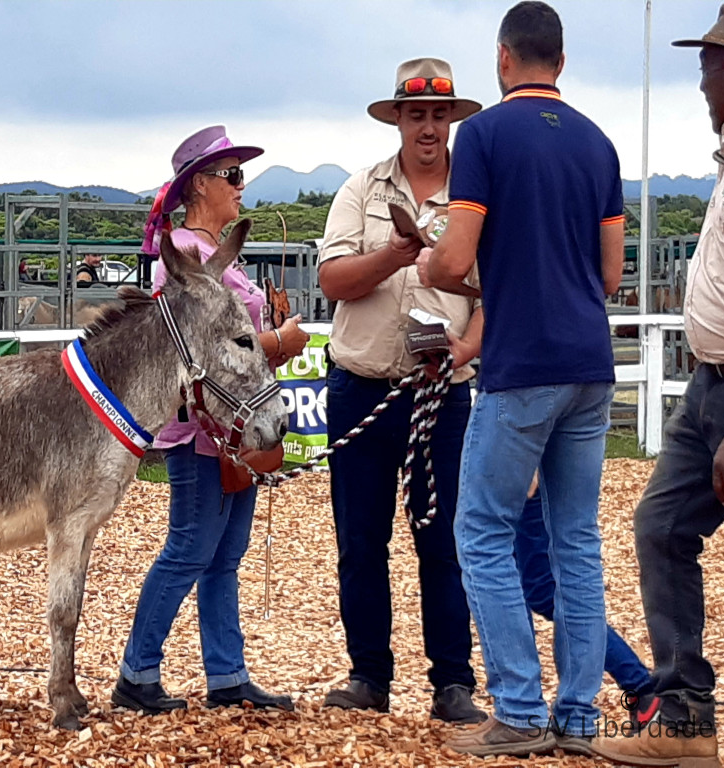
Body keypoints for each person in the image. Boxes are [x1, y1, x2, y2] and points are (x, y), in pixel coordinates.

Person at [419, 1, 625, 755]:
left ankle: (517, 709)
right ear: (561, 62)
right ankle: (578, 716)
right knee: (576, 542)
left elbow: (453, 256)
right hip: (589, 362)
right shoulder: (599, 143)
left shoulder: (484, 134)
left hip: (523, 362)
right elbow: (610, 275)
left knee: (481, 531)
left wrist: (435, 267)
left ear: (503, 58)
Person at [112, 125, 309, 714]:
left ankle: (227, 675)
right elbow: (200, 348)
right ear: (200, 184)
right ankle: (137, 673)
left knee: (222, 555)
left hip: (235, 425)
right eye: (232, 175)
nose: (241, 185)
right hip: (201, 428)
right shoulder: (182, 259)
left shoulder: (210, 256)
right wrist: (279, 341)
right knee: (190, 549)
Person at [594, 6, 724, 766]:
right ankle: (684, 721)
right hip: (710, 384)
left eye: (707, 67)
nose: (701, 82)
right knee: (660, 526)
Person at [317, 58, 487, 724]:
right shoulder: (360, 190)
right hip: (362, 387)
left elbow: (496, 295)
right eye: (417, 114)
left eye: (439, 114)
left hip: (443, 395)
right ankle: (368, 675)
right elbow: (333, 281)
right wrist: (393, 253)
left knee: (444, 541)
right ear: (398, 120)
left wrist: (465, 351)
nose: (428, 127)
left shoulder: (476, 198)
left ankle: (453, 681)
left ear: (452, 120)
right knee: (361, 543)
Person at [516, 491, 653, 700]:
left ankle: (639, 684)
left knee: (545, 591)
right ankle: (535, 701)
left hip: (523, 480)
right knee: (547, 580)